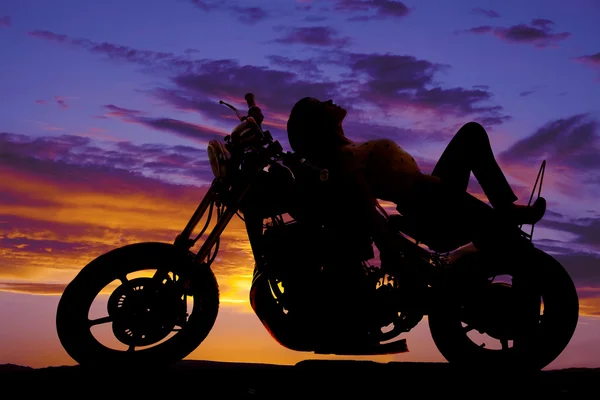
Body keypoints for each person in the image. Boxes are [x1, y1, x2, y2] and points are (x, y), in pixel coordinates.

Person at [286, 97, 547, 269]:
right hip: (428, 202)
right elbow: (366, 204)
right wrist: (388, 244)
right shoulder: (344, 158)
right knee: (502, 234)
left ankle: (507, 209)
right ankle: (508, 222)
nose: (331, 101)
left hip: (436, 189)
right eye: (323, 105)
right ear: (320, 121)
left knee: (472, 133)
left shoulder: (350, 148)